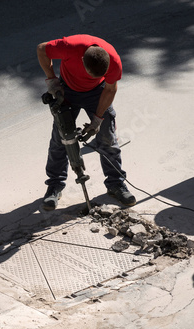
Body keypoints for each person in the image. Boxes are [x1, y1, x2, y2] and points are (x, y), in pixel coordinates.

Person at [37, 34, 136, 210]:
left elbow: (110, 89)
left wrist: (97, 119)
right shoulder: (71, 46)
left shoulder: (114, 62)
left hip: (98, 92)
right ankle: (54, 186)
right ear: (81, 59)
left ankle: (116, 184)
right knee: (61, 139)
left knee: (107, 138)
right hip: (67, 90)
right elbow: (42, 49)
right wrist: (51, 80)